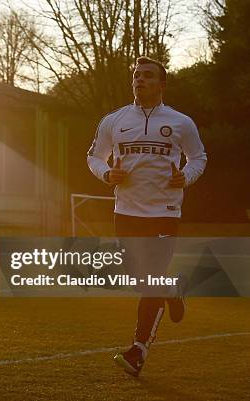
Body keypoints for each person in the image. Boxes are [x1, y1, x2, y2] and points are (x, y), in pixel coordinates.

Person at [86, 56, 207, 376]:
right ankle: (171, 287)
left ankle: (138, 350)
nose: (139, 80)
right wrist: (106, 174)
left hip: (165, 212)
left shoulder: (181, 122)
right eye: (136, 75)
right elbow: (94, 157)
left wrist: (186, 176)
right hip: (125, 211)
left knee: (149, 279)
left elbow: (198, 157)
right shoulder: (114, 120)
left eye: (147, 76)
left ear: (161, 84)